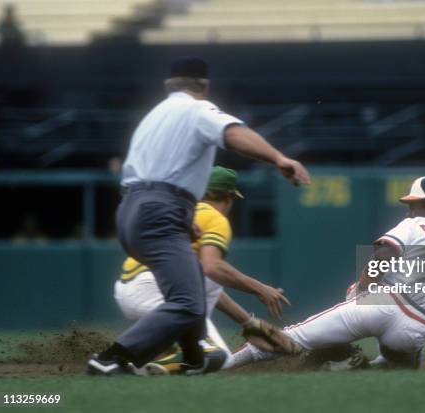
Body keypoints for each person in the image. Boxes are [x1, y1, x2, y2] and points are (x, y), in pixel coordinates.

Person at [88, 56, 310, 376]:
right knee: (189, 303)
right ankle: (112, 359)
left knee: (193, 284)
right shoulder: (196, 109)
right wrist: (278, 158)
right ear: (203, 86)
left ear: (168, 85)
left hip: (133, 209)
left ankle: (194, 358)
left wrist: (178, 215)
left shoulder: (153, 117)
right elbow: (233, 133)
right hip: (160, 209)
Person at [228, 176, 425, 370]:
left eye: (415, 203)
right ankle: (354, 366)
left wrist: (362, 289)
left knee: (292, 338)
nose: (410, 209)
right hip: (414, 329)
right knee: (398, 368)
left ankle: (221, 365)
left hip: (383, 303)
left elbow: (384, 254)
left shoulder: (414, 225)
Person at [113, 166, 290, 373]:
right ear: (229, 197)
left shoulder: (177, 210)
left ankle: (142, 358)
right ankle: (141, 370)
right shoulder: (215, 218)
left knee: (205, 276)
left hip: (128, 290)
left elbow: (208, 281)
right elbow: (213, 267)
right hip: (153, 289)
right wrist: (260, 288)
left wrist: (248, 322)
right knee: (214, 356)